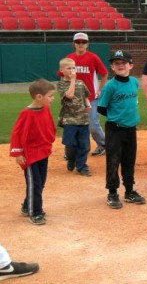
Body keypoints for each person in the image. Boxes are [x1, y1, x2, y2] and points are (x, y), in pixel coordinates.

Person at [98, 50, 146, 209]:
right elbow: (101, 108)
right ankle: (112, 192)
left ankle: (130, 191)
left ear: (131, 65)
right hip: (115, 129)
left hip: (131, 128)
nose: (120, 66)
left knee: (129, 160)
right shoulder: (110, 86)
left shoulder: (134, 82)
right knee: (113, 161)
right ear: (112, 67)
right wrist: (117, 117)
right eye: (116, 63)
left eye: (123, 63)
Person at [10, 79, 56, 225]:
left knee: (40, 182)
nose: (53, 98)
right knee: (35, 182)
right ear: (39, 97)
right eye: (50, 96)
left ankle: (26, 205)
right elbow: (16, 133)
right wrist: (18, 153)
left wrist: (49, 142)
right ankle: (35, 212)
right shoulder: (27, 113)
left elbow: (49, 127)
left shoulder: (46, 109)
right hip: (30, 154)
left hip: (43, 151)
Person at [61, 32, 109, 157]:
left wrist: (100, 90)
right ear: (74, 44)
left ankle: (103, 144)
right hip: (74, 99)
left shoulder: (93, 57)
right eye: (78, 42)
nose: (81, 44)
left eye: (83, 42)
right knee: (73, 124)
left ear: (87, 44)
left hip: (91, 97)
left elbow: (104, 73)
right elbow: (63, 76)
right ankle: (72, 149)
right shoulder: (70, 58)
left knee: (93, 124)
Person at [57, 58, 92, 176]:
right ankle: (71, 159)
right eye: (69, 68)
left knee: (85, 145)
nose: (72, 70)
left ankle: (82, 166)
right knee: (70, 144)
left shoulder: (81, 83)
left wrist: (88, 103)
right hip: (69, 119)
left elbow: (86, 95)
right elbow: (70, 95)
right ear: (62, 70)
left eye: (73, 68)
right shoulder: (61, 84)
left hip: (83, 118)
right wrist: (73, 80)